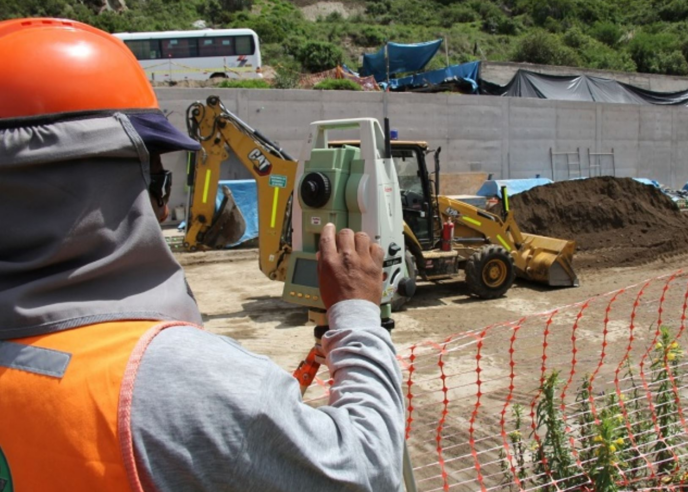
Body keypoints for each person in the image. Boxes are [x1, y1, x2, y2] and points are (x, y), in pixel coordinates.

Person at [0, 18, 404, 492]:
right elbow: (368, 470)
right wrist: (357, 315)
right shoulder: (180, 383)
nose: (163, 204)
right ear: (107, 187)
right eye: (156, 178)